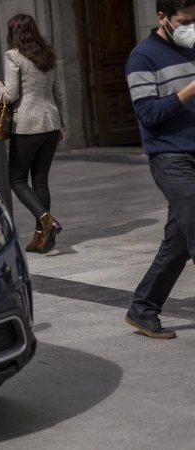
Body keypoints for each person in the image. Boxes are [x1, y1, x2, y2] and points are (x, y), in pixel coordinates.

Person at [124, 0, 195, 340]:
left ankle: (143, 308)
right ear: (162, 18)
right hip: (170, 158)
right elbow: (148, 114)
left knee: (178, 242)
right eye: (186, 21)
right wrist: (190, 89)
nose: (191, 27)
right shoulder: (142, 57)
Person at [0, 14, 64, 255]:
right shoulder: (48, 54)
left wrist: (0, 86)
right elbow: (58, 93)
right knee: (40, 179)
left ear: (13, 33)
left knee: (17, 179)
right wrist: (60, 125)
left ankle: (46, 220)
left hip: (27, 126)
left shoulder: (13, 55)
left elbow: (11, 95)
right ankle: (40, 240)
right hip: (51, 124)